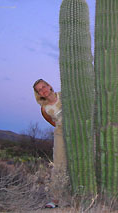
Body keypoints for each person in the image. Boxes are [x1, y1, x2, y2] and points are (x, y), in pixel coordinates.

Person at [33, 79, 67, 208]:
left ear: (49, 86)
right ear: (38, 94)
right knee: (59, 164)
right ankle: (55, 199)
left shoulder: (64, 95)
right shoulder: (44, 109)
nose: (43, 90)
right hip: (60, 134)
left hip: (78, 131)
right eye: (40, 90)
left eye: (44, 86)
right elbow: (52, 122)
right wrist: (62, 128)